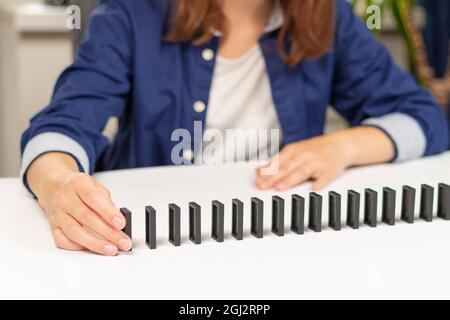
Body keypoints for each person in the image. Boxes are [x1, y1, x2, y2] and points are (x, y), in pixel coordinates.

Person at [21, 0, 449, 256]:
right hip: (154, 245)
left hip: (279, 239)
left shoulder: (328, 14)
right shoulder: (135, 11)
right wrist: (58, 183)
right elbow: (64, 124)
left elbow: (424, 117)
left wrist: (344, 146)